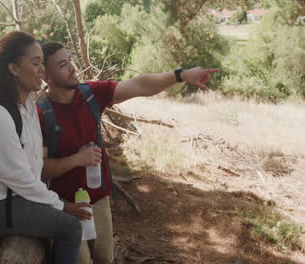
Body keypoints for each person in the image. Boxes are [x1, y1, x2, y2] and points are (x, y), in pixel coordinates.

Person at [38, 41, 219, 264]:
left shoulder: (91, 94)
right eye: (63, 64)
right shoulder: (40, 113)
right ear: (46, 76)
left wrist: (180, 75)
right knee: (80, 261)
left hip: (98, 198)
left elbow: (138, 85)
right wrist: (77, 160)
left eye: (70, 61)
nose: (72, 68)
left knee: (104, 257)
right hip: (65, 205)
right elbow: (40, 168)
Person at [0, 32, 90, 264]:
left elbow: (31, 164)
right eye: (35, 63)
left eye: (43, 63)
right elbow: (21, 179)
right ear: (13, 68)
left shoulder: (28, 105)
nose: (43, 70)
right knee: (70, 227)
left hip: (9, 195)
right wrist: (62, 205)